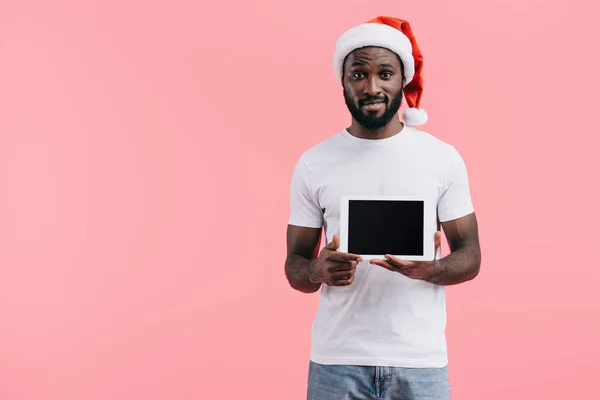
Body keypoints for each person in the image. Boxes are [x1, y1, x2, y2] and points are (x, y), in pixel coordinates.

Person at [284, 16, 482, 400]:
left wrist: (433, 269)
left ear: (402, 80)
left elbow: (471, 256)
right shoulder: (314, 163)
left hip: (420, 362)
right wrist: (317, 270)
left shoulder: (442, 159)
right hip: (336, 362)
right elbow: (294, 266)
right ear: (343, 81)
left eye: (384, 73)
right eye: (358, 74)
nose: (371, 87)